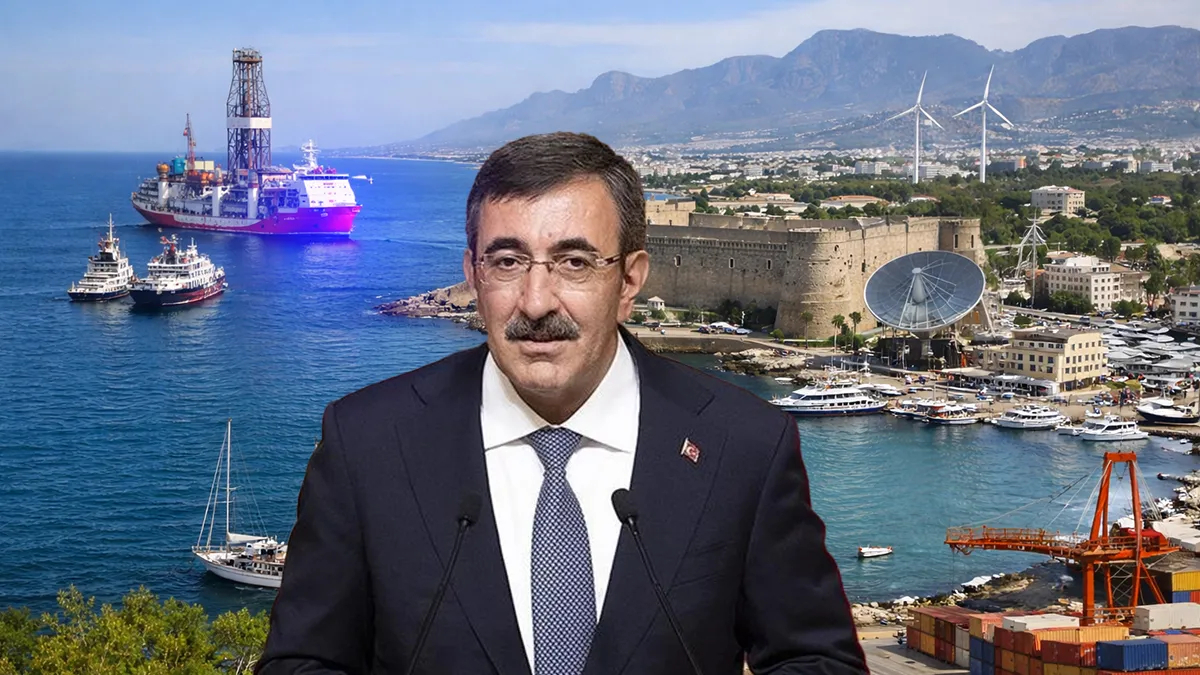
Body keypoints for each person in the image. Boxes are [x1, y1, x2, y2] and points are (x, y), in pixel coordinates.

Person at [256, 132, 866, 674]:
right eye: (508, 262)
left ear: (629, 280)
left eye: (574, 263)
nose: (536, 301)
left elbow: (817, 659)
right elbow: (303, 661)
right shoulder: (367, 442)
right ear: (473, 275)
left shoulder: (745, 445)